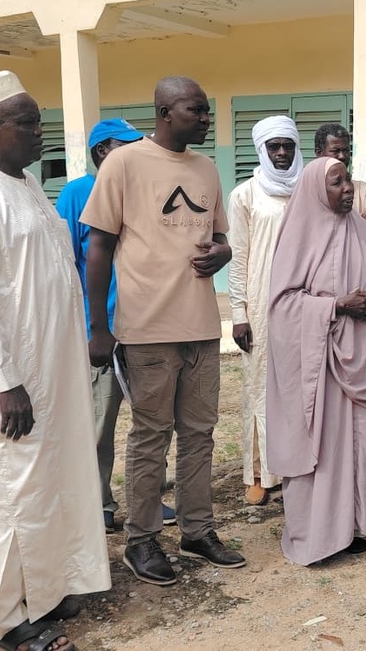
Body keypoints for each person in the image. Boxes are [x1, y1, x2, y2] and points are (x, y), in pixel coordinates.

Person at [82, 76, 245, 586]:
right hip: (146, 330)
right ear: (164, 112)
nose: (206, 118)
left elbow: (219, 239)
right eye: (196, 109)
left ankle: (197, 530)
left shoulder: (206, 168)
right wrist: (98, 327)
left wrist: (224, 252)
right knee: (151, 436)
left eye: (207, 109)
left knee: (199, 434)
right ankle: (143, 541)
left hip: (200, 327)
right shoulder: (124, 165)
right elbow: (99, 248)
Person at [0, 70, 109, 651]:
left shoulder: (28, 184)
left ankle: (53, 586)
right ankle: (8, 619)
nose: (40, 132)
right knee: (14, 490)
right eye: (27, 123)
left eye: (39, 120)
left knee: (58, 474)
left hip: (56, 368)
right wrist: (6, 382)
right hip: (13, 377)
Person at [266, 157, 366, 566]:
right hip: (318, 366)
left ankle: (357, 527)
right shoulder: (299, 233)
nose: (347, 189)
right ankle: (319, 536)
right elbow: (283, 304)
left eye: (348, 180)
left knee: (359, 442)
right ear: (318, 190)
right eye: (336, 183)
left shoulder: (361, 229)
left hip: (362, 355)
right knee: (324, 445)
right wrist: (336, 306)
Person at [57, 118, 177, 533]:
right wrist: (91, 329)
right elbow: (66, 262)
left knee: (153, 421)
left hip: (147, 327)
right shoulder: (77, 193)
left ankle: (150, 499)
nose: (133, 153)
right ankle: (100, 502)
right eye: (123, 146)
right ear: (101, 153)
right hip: (102, 331)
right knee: (100, 421)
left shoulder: (142, 190)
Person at [228, 115, 302, 505]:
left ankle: (294, 469)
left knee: (298, 387)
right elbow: (239, 258)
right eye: (274, 146)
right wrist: (238, 312)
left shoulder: (309, 189)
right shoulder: (245, 195)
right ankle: (257, 472)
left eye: (287, 145)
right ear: (262, 149)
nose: (282, 153)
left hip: (304, 301)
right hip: (260, 302)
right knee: (260, 387)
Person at [314, 123, 366, 241]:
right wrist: (358, 220)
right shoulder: (309, 191)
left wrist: (349, 223)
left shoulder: (364, 190)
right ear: (319, 152)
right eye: (335, 150)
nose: (342, 156)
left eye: (346, 150)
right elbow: (316, 235)